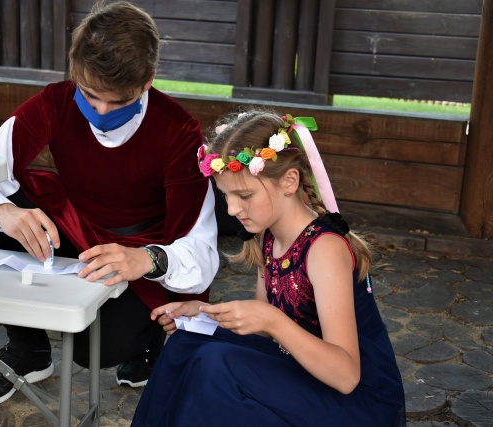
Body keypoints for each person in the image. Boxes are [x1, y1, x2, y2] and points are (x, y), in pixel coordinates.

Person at [0, 1, 219, 407]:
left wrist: (146, 259)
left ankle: (148, 340)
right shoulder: (56, 102)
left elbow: (200, 247)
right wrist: (2, 212)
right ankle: (27, 350)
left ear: (147, 82)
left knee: (94, 349)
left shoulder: (178, 131)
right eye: (90, 96)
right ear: (75, 73)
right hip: (76, 227)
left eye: (118, 101)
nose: (101, 112)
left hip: (141, 249)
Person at [131, 110, 407, 426]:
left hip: (354, 399)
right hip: (299, 365)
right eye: (225, 196)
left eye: (244, 195)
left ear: (289, 181)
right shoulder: (269, 235)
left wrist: (273, 321)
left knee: (215, 363)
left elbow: (346, 376)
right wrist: (207, 313)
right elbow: (263, 325)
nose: (232, 209)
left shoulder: (325, 250)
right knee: (185, 343)